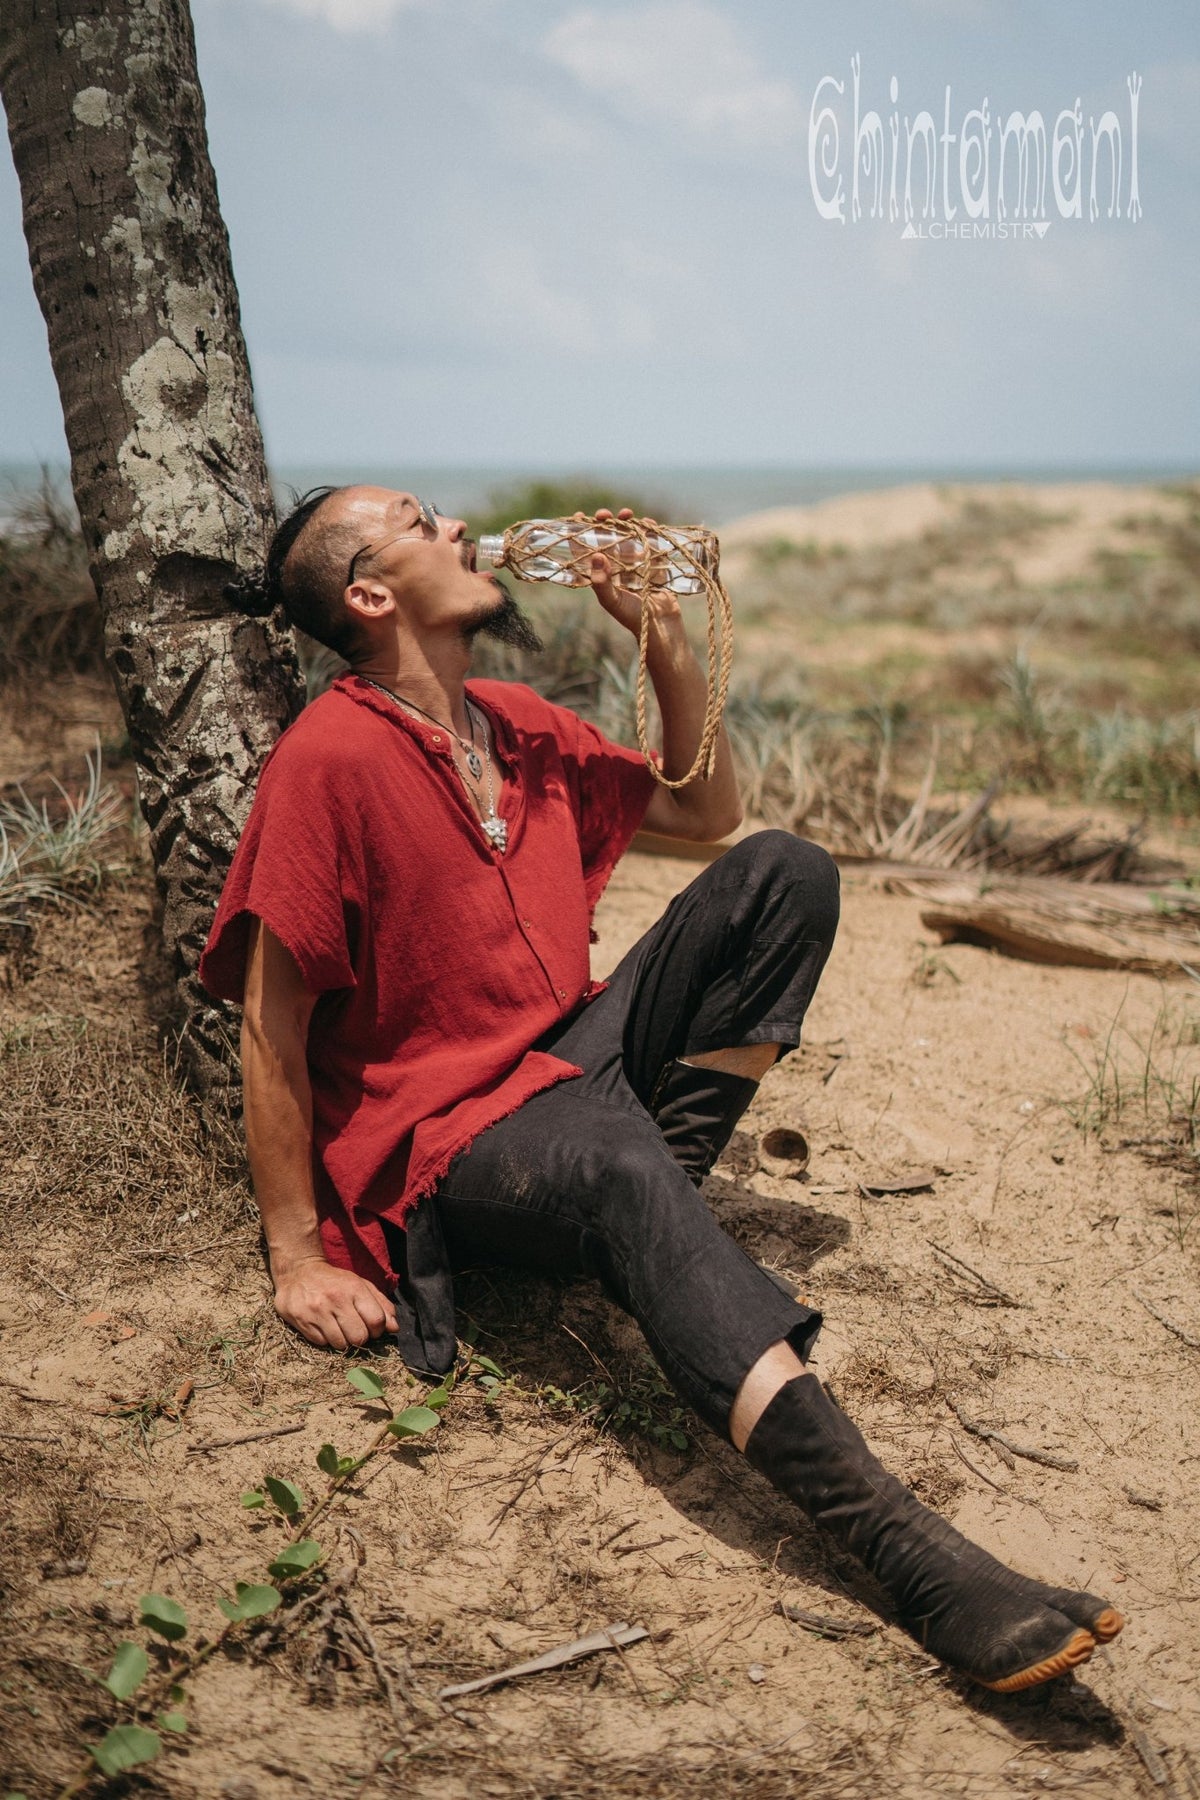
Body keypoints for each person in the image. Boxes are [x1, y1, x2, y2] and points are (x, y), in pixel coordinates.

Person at [204, 485, 1123, 1694]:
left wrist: (665, 645)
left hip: (564, 1070)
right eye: (422, 521)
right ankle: (908, 1551)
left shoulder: (516, 724)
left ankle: (644, 1216)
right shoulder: (330, 758)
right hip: (447, 1147)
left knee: (783, 873)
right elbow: (270, 1026)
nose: (458, 526)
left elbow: (709, 812)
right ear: (370, 595)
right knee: (614, 1161)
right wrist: (295, 1257)